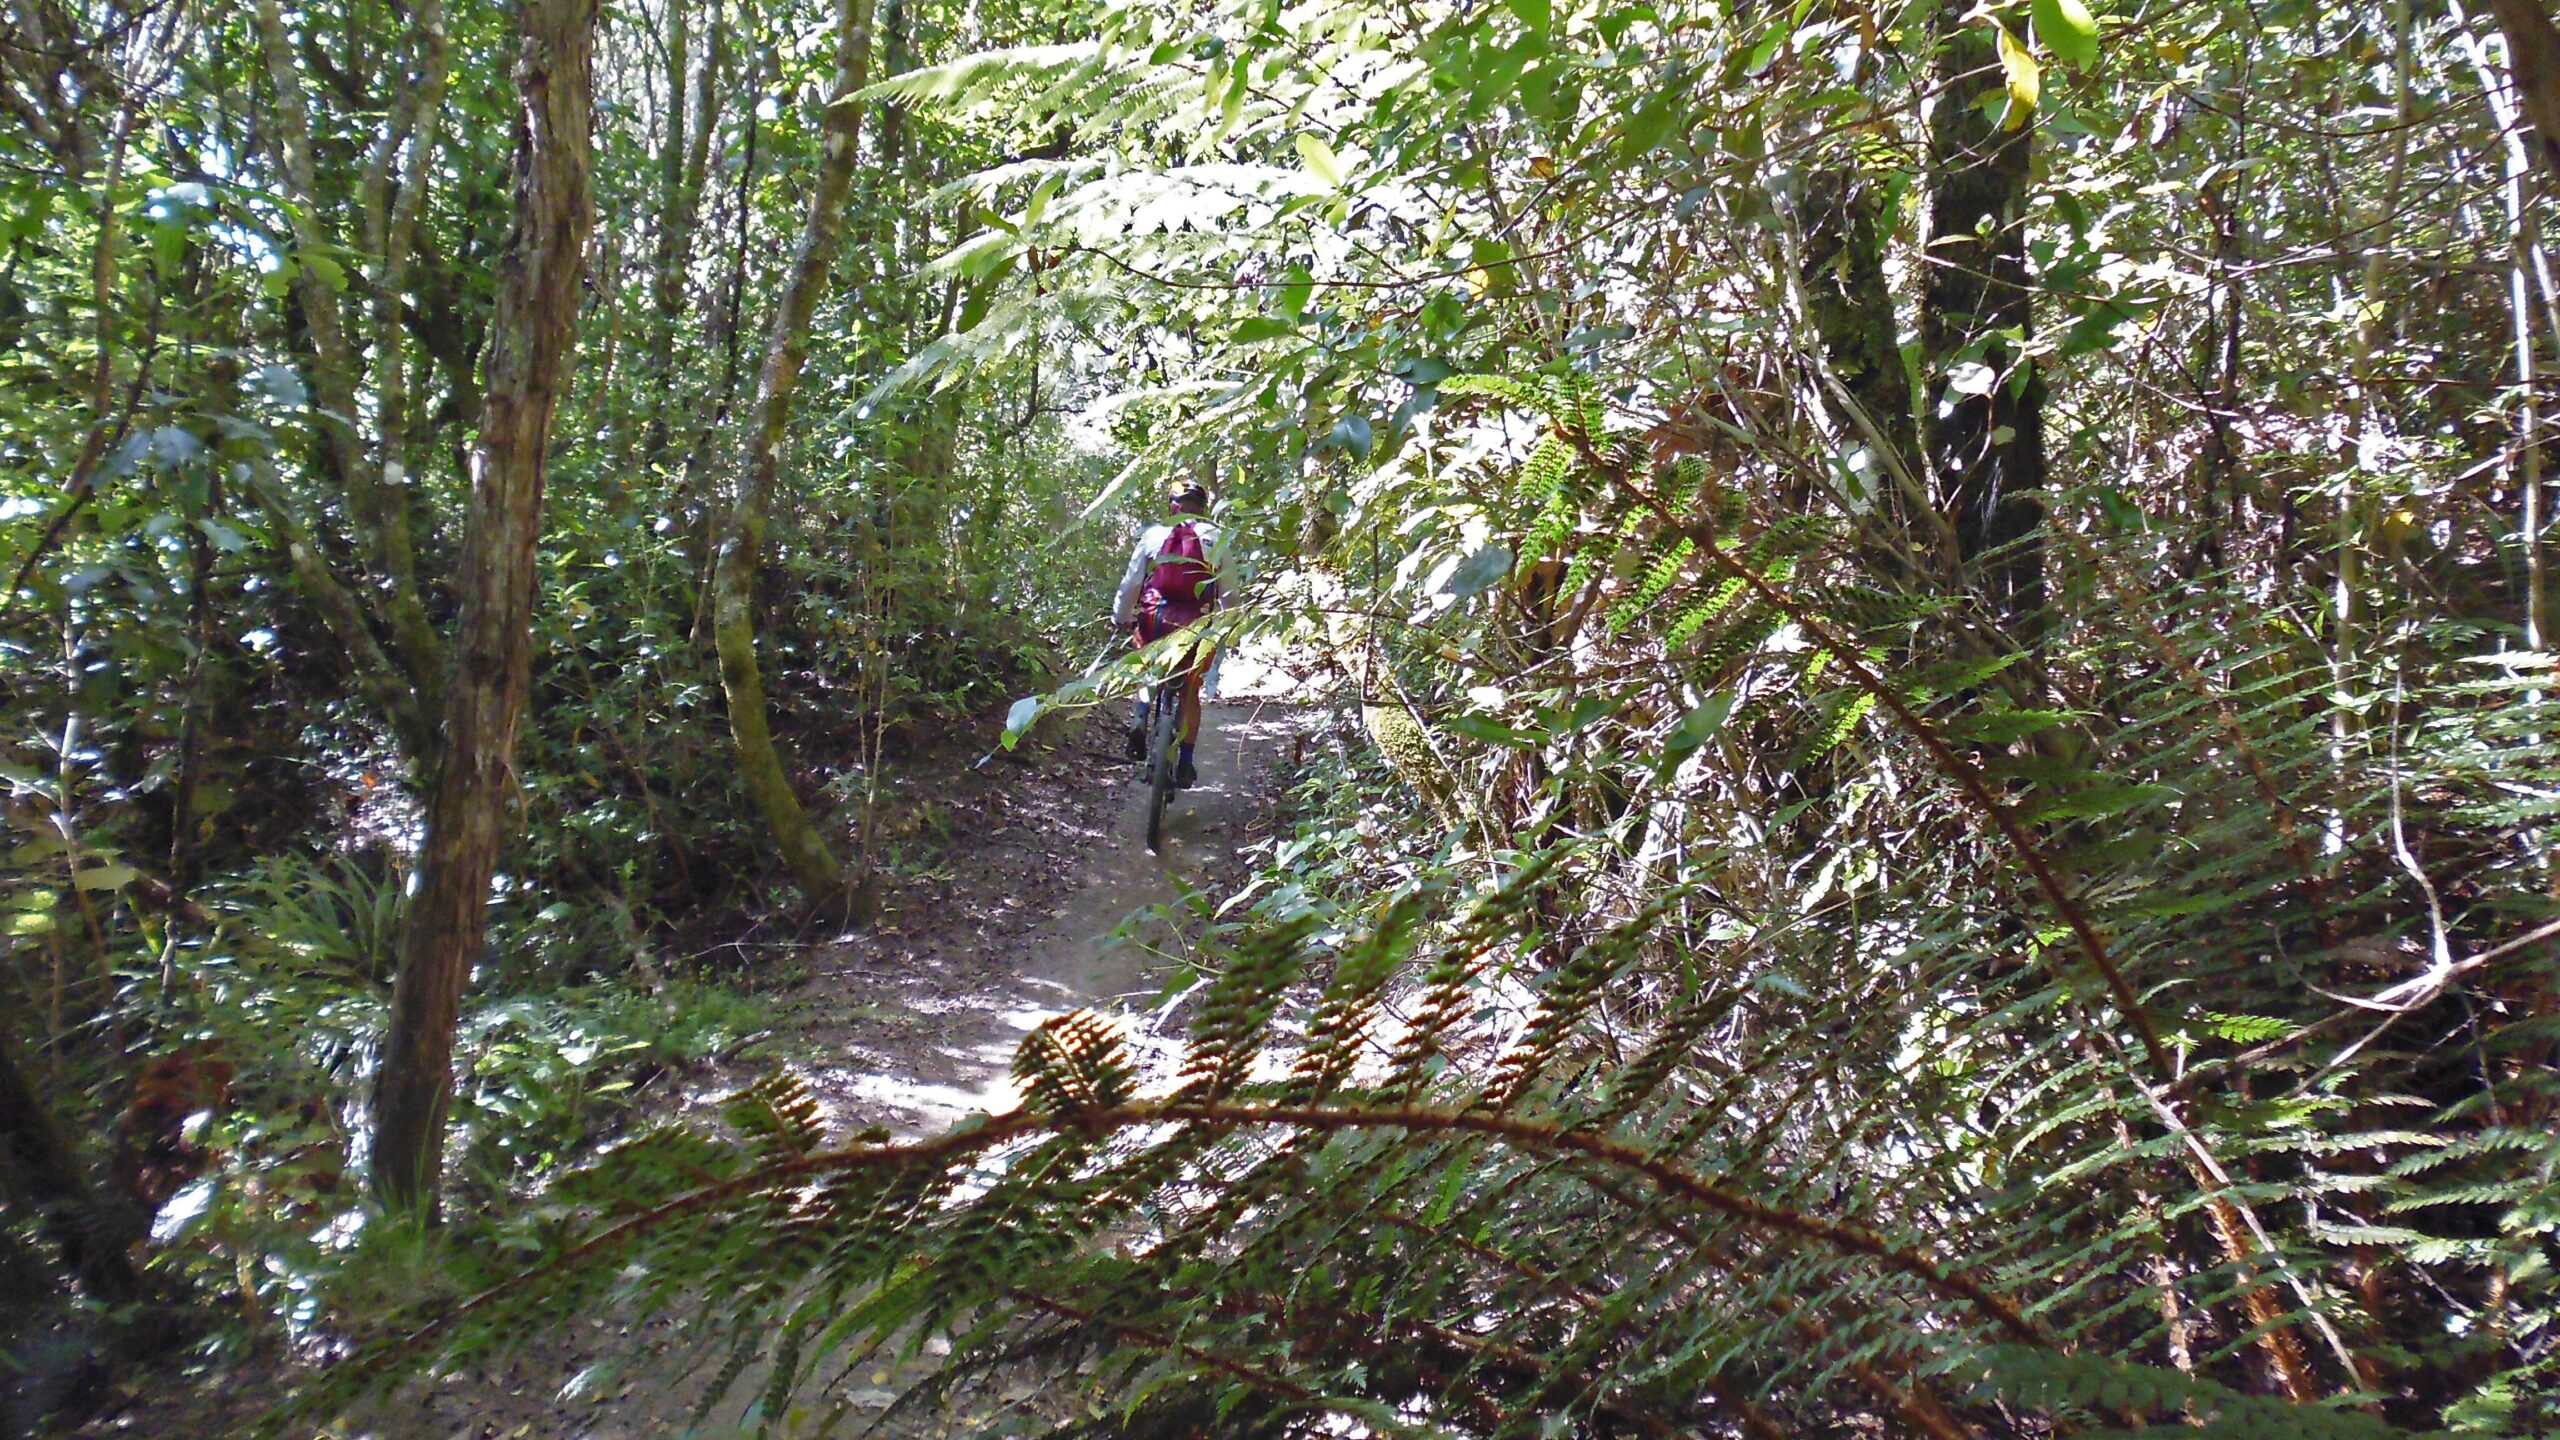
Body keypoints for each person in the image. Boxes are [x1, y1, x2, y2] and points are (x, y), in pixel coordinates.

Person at [1113, 480, 1221, 788]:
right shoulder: (1217, 538)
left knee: (1149, 667)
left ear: (1172, 505)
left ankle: (1140, 716)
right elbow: (1230, 595)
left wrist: (1120, 617)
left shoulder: (1153, 536)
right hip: (1196, 626)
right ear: (1203, 508)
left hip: (1154, 619)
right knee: (1189, 691)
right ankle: (1185, 763)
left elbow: (1132, 583)